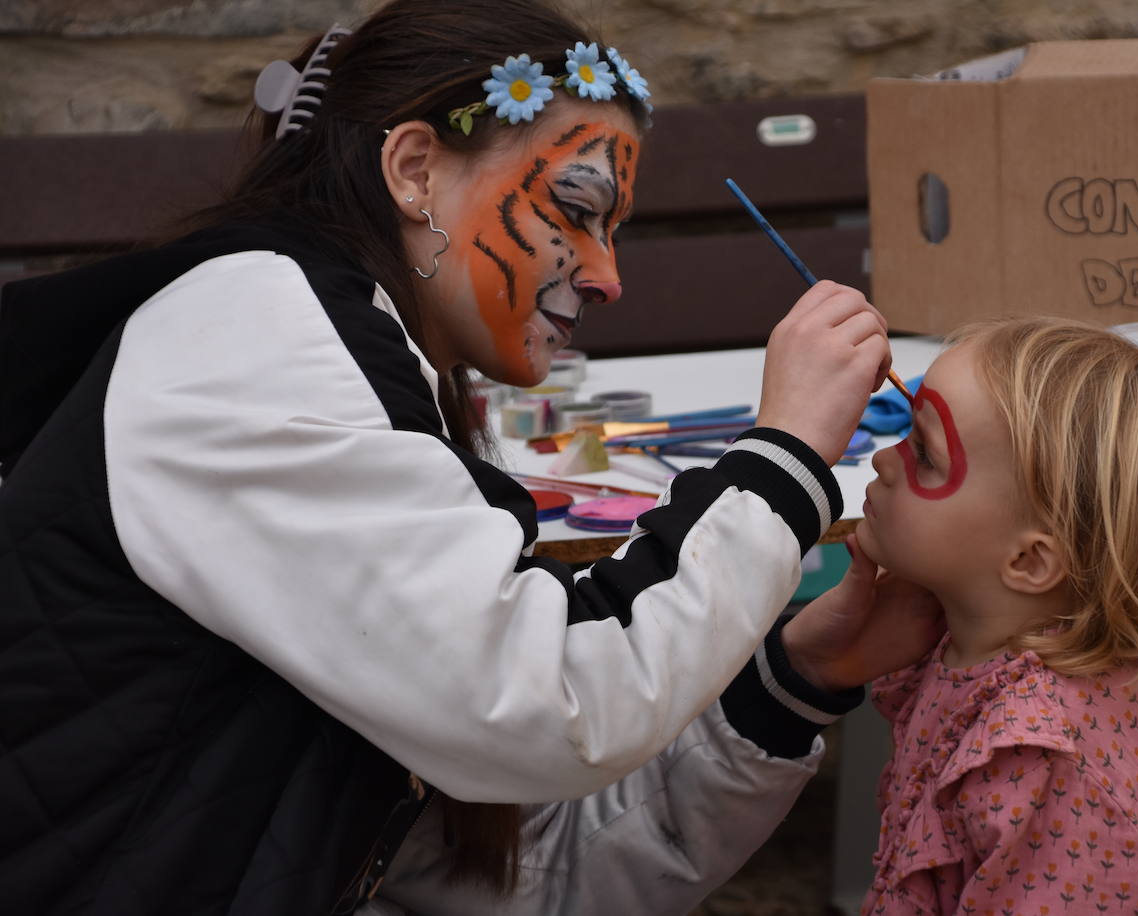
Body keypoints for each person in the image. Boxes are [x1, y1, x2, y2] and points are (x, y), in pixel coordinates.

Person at [0, 1, 943, 913]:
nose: (609, 276)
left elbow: (504, 876)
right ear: (412, 170)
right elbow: (553, 703)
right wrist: (780, 459)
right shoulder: (257, 349)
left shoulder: (346, 349)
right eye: (576, 209)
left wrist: (793, 681)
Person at [804, 316, 1138, 914]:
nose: (884, 462)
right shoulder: (968, 645)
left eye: (925, 453)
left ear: (1028, 560)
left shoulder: (1050, 761)